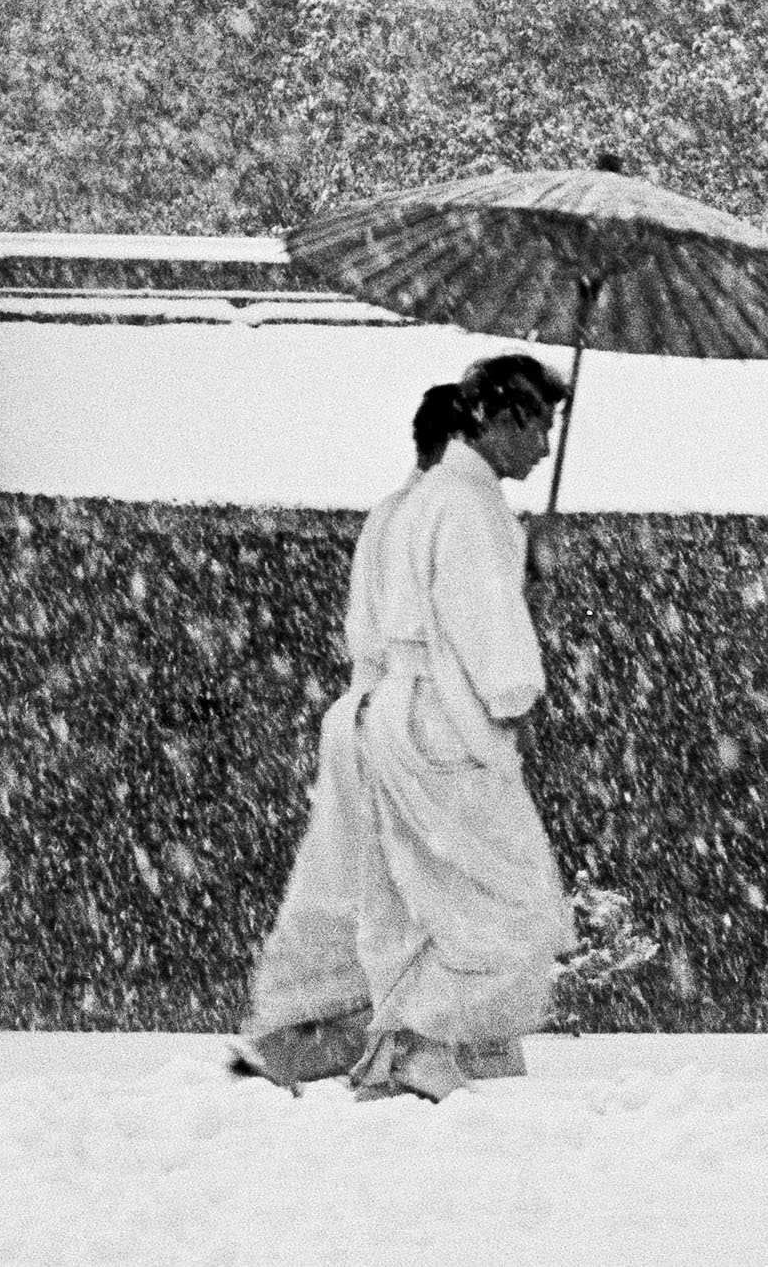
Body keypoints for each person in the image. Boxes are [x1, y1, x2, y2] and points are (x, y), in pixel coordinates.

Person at [233, 352, 580, 1103]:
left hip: (387, 706)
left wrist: (518, 576)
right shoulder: (466, 505)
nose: (546, 448)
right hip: (438, 721)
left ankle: (349, 1035)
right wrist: (521, 679)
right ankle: (423, 1040)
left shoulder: (419, 504)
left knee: (394, 898)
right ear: (501, 417)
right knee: (510, 907)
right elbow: (496, 649)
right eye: (539, 426)